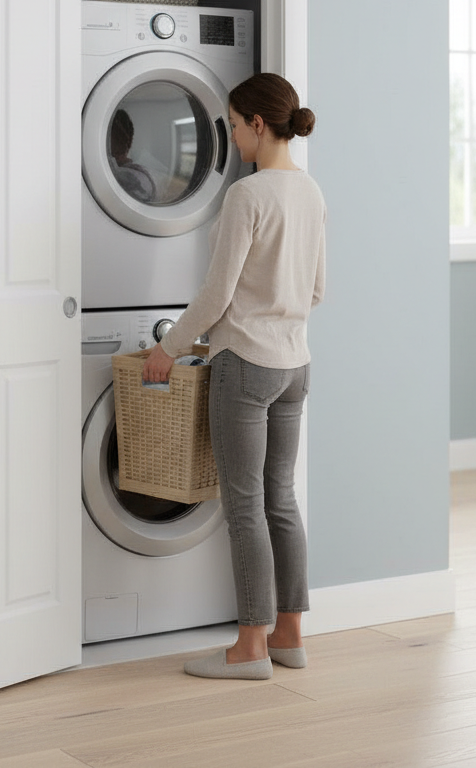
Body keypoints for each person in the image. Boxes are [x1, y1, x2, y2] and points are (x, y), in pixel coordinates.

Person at [141, 72, 325, 681]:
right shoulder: (310, 193)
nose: (232, 136)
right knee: (282, 500)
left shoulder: (249, 196)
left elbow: (216, 297)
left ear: (256, 124)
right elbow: (317, 289)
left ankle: (249, 648)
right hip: (295, 363)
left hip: (244, 365)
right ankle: (290, 637)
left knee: (244, 507)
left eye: (233, 122)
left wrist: (169, 345)